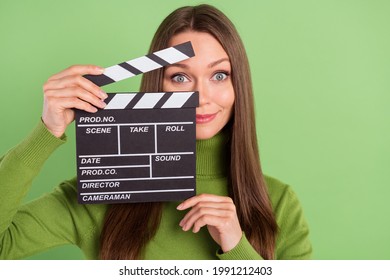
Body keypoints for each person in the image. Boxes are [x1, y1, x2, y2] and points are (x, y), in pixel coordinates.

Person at [0, 4, 312, 260]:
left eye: (219, 74)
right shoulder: (103, 189)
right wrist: (46, 132)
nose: (202, 97)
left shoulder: (278, 203)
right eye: (179, 77)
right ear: (156, 84)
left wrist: (236, 245)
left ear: (238, 85)